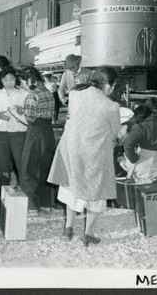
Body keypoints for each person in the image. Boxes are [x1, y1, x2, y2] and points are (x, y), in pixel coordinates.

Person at [47, 66, 121, 247]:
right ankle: (88, 234)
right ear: (109, 85)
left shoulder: (75, 94)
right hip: (94, 153)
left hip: (71, 148)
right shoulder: (111, 106)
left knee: (71, 186)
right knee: (97, 191)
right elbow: (115, 133)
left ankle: (68, 228)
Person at [8, 67, 58, 216]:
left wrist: (14, 113)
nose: (21, 85)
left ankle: (32, 207)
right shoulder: (48, 93)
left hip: (35, 133)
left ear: (29, 81)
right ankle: (46, 204)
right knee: (45, 168)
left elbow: (29, 120)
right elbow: (41, 113)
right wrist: (23, 110)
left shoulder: (31, 96)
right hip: (48, 132)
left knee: (29, 168)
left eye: (22, 82)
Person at [0, 66, 29, 182]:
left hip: (19, 133)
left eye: (11, 79)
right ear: (1, 81)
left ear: (16, 79)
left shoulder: (24, 94)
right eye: (5, 80)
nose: (8, 82)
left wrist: (22, 111)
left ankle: (24, 190)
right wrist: (0, 115)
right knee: (1, 163)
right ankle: (3, 190)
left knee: (21, 163)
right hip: (1, 133)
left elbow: (30, 114)